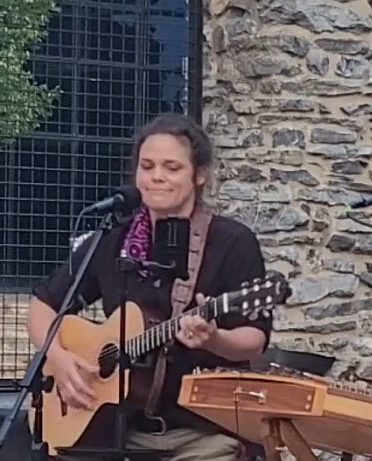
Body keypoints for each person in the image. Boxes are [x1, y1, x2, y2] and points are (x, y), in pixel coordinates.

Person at [27, 113, 271, 460]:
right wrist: (60, 358)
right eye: (147, 166)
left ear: (199, 174)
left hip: (201, 431)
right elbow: (43, 306)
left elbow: (255, 339)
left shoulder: (231, 242)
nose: (157, 176)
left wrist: (215, 339)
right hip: (113, 428)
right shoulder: (111, 241)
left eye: (172, 167)